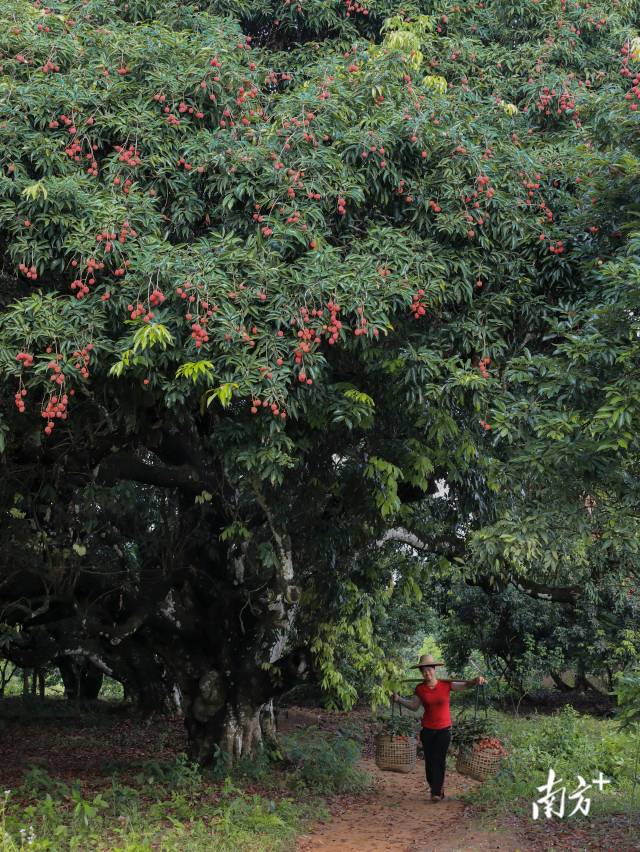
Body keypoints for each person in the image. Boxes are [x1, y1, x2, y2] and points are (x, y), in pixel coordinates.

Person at [392, 654, 487, 802]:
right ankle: (435, 787)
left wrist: (475, 681)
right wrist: (399, 700)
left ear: (434, 670)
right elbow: (414, 706)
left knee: (439, 759)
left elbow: (465, 685)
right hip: (427, 730)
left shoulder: (446, 684)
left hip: (444, 729)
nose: (427, 673)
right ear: (421, 672)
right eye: (423, 670)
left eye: (429, 669)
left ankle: (436, 792)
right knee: (429, 761)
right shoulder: (420, 688)